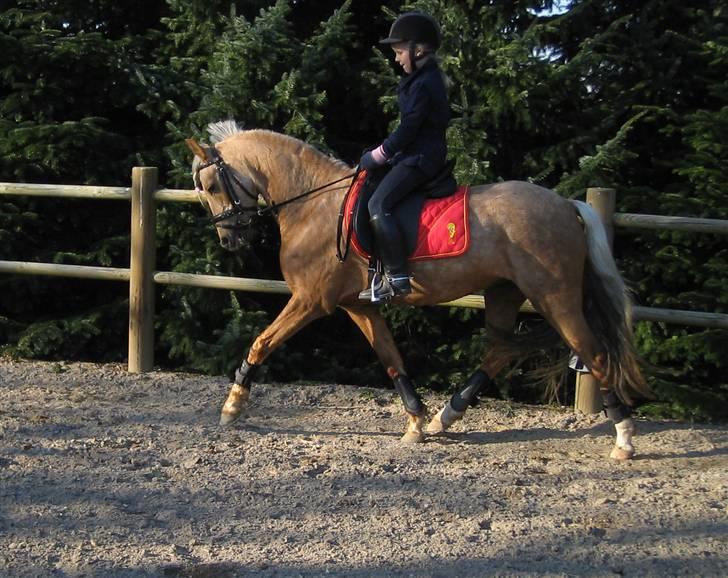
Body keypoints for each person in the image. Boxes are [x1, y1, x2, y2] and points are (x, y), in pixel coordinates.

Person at [358, 11, 450, 302]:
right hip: (413, 155)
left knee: (378, 204)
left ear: (418, 49)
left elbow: (410, 127)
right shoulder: (421, 79)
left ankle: (397, 276)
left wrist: (380, 153)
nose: (397, 59)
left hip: (421, 158)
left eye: (399, 51)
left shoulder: (425, 83)